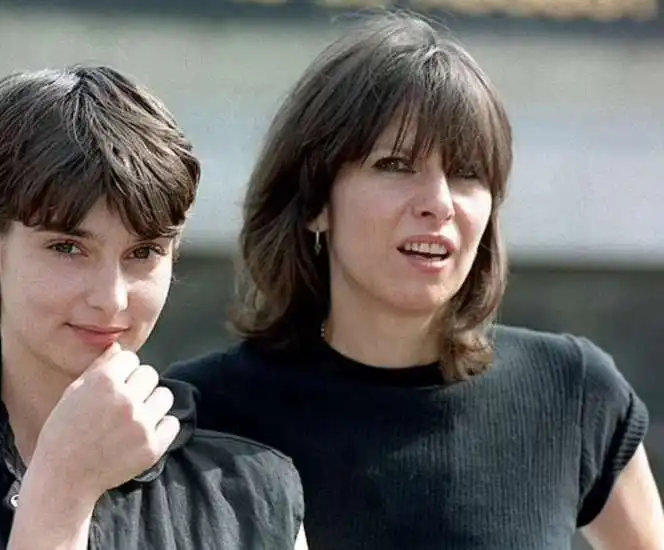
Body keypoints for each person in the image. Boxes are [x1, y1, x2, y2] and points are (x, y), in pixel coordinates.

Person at [165, 11, 664, 550]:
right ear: (314, 202)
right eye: (396, 165)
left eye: (468, 173)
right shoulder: (204, 413)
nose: (439, 203)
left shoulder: (573, 391)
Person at [0, 65, 308, 550]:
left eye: (143, 253)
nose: (111, 298)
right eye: (67, 248)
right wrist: (61, 489)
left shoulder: (252, 495)